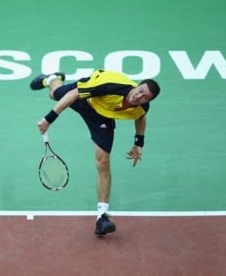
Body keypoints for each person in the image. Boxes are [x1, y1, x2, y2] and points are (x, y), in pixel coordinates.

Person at [30, 69, 161, 236]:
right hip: (84, 99)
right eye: (140, 91)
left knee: (103, 162)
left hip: (101, 118)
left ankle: (102, 216)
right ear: (137, 85)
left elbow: (140, 117)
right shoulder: (110, 85)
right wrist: (48, 119)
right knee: (55, 94)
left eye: (145, 97)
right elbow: (75, 93)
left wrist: (138, 143)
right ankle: (53, 79)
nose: (139, 97)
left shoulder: (142, 106)